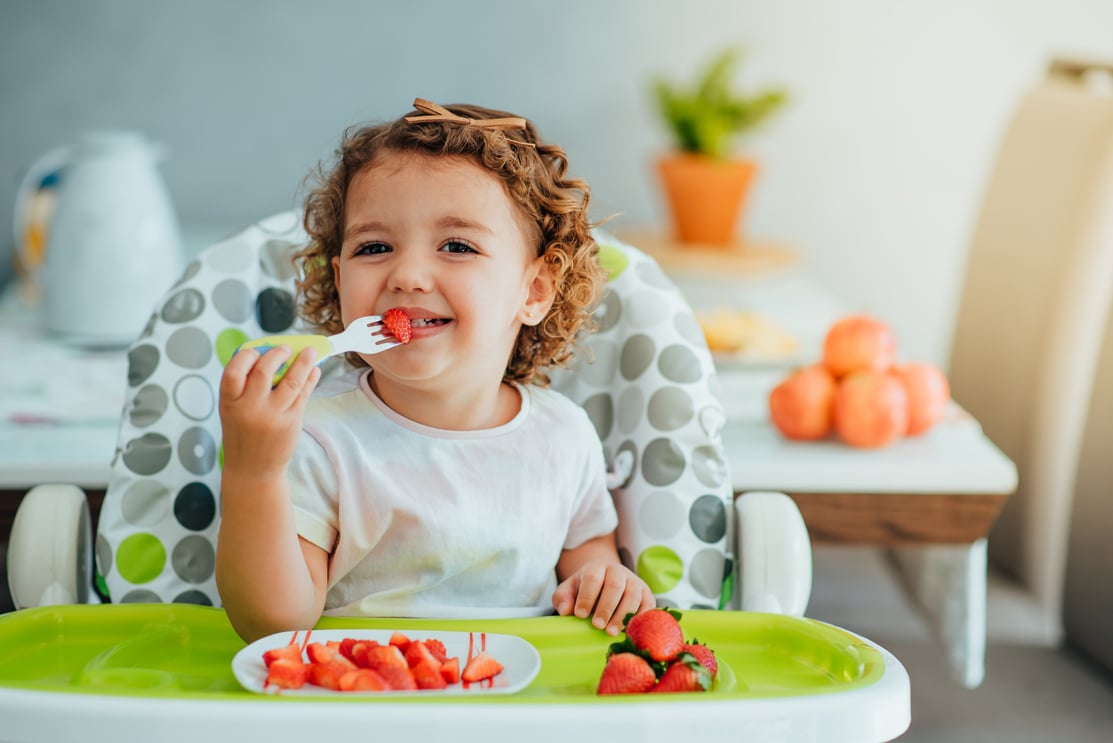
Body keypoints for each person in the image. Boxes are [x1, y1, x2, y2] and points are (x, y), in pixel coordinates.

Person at [215, 98, 655, 643]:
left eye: (456, 245)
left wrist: (604, 584)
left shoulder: (563, 437)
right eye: (375, 246)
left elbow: (589, 560)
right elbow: (272, 625)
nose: (408, 275)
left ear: (534, 290)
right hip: (363, 693)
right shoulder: (317, 439)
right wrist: (254, 471)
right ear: (338, 279)